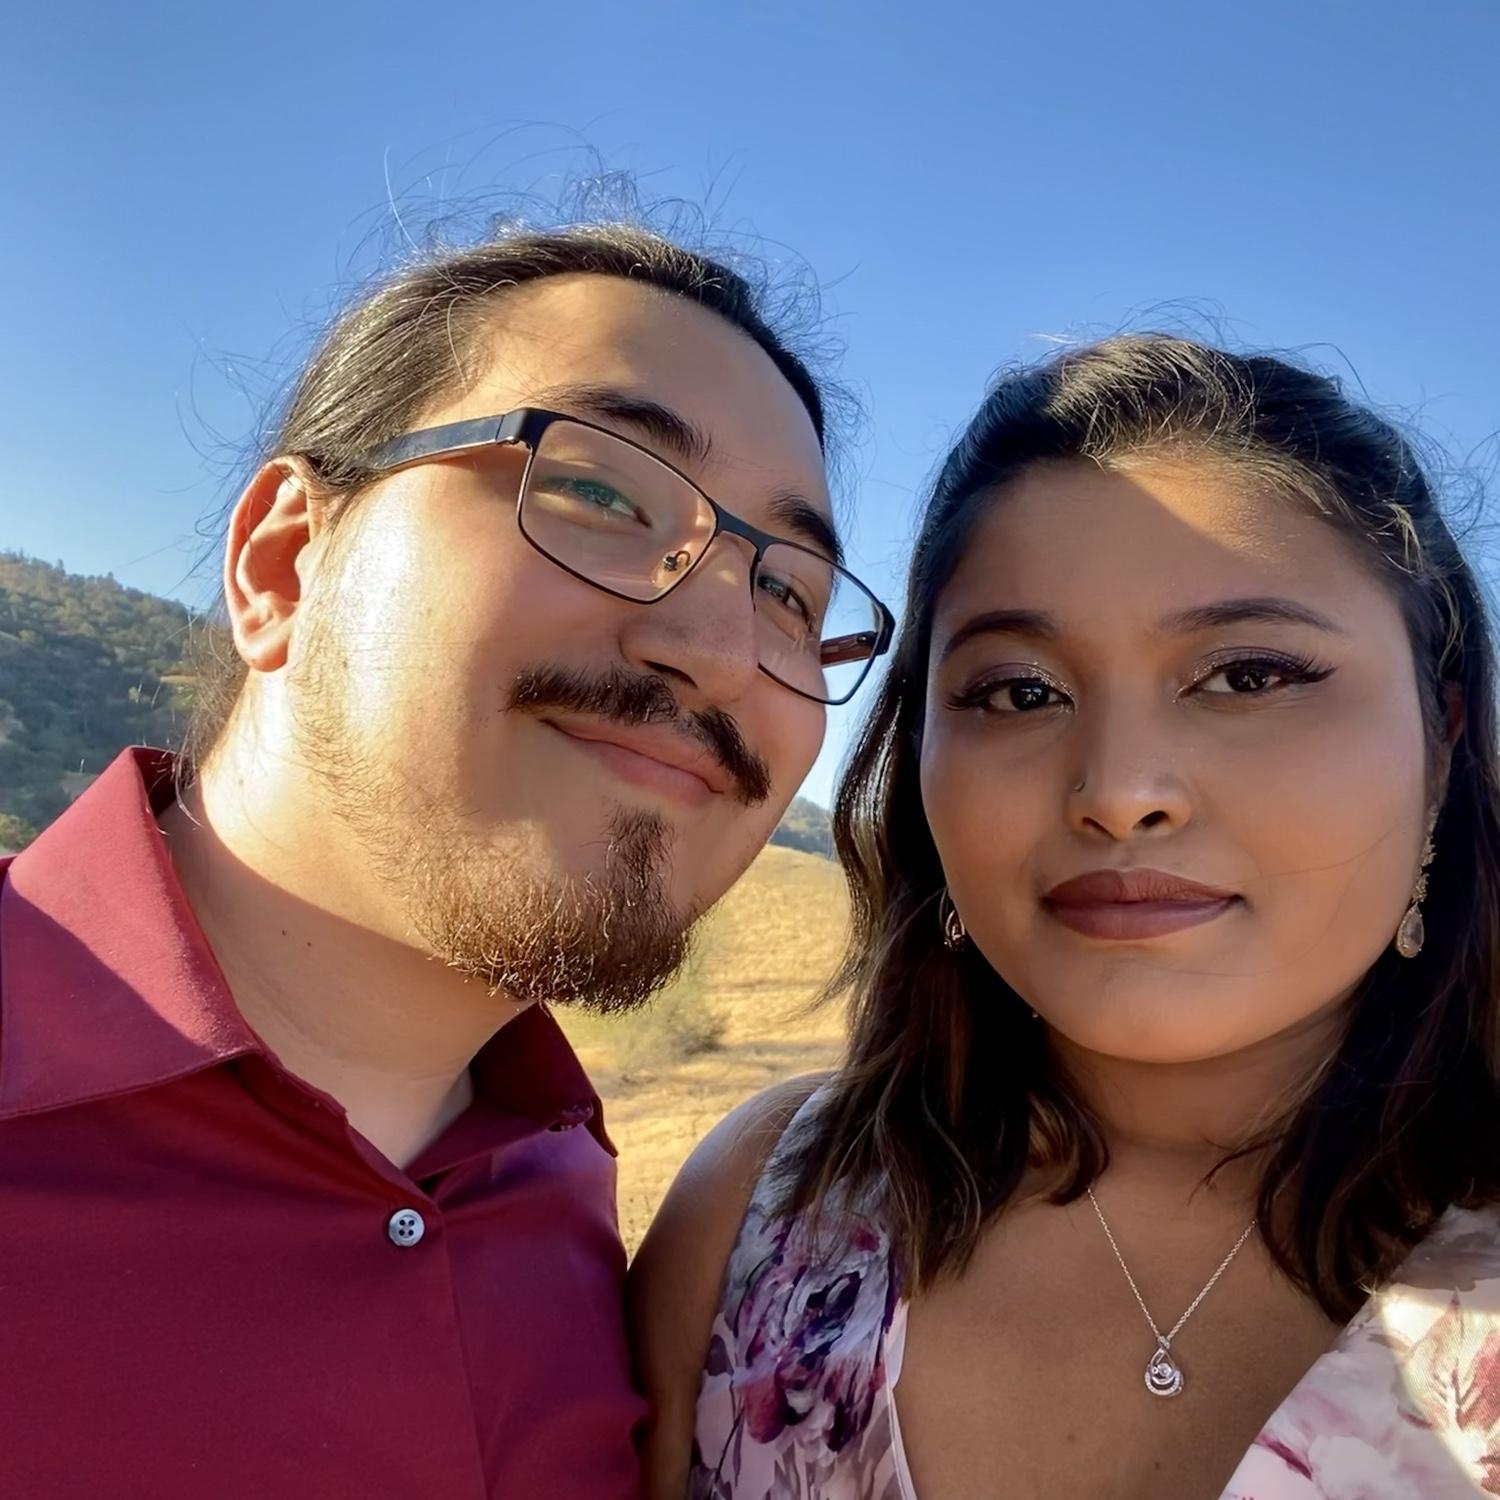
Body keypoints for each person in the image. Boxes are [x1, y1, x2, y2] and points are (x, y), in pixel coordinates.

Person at [0, 220, 893, 1496]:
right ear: (283, 566)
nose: (717, 647)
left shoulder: (604, 1232)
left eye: (790, 595)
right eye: (600, 492)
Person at [632, 334, 1500, 1499]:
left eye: (1248, 675)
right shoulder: (761, 1213)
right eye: (1019, 691)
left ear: (1441, 745)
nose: (1119, 792)